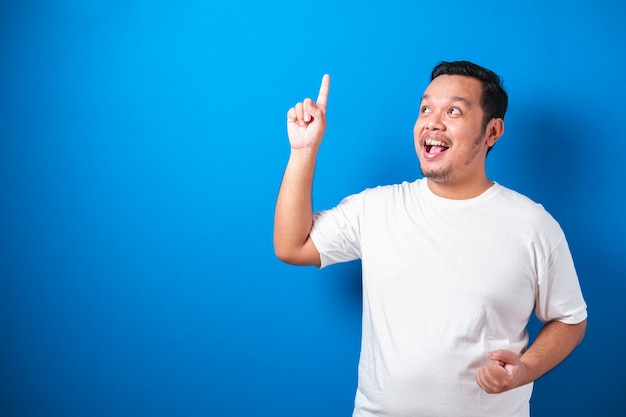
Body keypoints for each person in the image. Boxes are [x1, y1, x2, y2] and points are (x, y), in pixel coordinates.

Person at [273, 61, 587, 417]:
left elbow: (570, 319)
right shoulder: (377, 208)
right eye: (426, 108)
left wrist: (525, 370)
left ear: (492, 131)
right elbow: (291, 245)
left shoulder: (533, 225)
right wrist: (302, 151)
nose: (432, 122)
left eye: (453, 110)